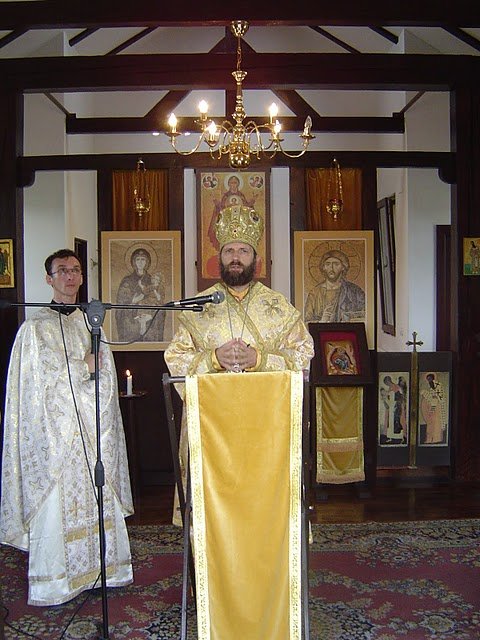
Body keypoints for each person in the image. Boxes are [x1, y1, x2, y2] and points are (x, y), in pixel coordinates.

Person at [164, 204, 314, 523]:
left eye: (243, 250)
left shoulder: (278, 306)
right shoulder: (199, 307)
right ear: (219, 258)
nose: (236, 257)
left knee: (261, 508)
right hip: (212, 426)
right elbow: (175, 357)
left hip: (266, 426)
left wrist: (260, 359)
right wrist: (213, 359)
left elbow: (303, 354)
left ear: (255, 259)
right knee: (214, 509)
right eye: (229, 250)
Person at [0, 249, 133, 606]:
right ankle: (57, 581)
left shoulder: (91, 323)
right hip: (55, 438)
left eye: (75, 270)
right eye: (62, 271)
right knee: (58, 505)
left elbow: (105, 378)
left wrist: (91, 377)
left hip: (91, 430)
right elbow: (36, 388)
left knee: (96, 495)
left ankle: (103, 571)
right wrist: (81, 367)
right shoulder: (34, 330)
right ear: (49, 278)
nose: (70, 276)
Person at [116, 246, 166, 343]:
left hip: (149, 313)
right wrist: (134, 301)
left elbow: (159, 300)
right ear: (133, 262)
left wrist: (151, 313)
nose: (140, 262)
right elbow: (121, 302)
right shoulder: (127, 280)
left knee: (160, 312)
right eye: (137, 259)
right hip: (132, 315)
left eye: (143, 259)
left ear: (147, 262)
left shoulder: (152, 280)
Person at [304, 248, 365, 323]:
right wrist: (322, 321)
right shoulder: (314, 293)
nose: (331, 268)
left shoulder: (355, 291)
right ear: (323, 267)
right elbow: (306, 322)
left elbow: (365, 316)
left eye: (336, 264)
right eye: (328, 264)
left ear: (343, 267)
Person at [420, 373, 448, 444]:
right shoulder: (431, 387)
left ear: (433, 378)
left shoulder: (438, 385)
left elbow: (438, 397)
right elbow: (431, 398)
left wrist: (432, 408)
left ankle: (436, 438)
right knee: (430, 423)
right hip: (433, 406)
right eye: (427, 379)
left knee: (436, 423)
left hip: (437, 407)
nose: (428, 381)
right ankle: (430, 439)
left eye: (429, 379)